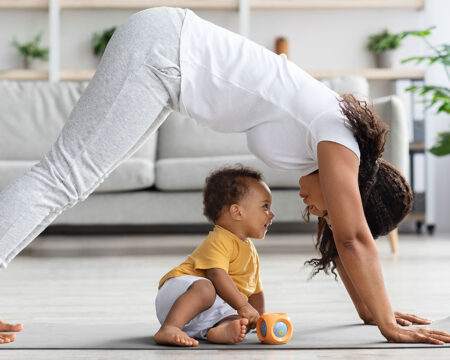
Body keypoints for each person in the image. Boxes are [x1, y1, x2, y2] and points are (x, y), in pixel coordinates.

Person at [0, 7, 449, 345]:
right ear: (355, 195)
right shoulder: (338, 140)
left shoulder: (333, 145)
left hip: (167, 61)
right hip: (163, 53)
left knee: (70, 181)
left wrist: (374, 312)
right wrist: (388, 325)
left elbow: (344, 236)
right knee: (63, 177)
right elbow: (354, 239)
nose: (313, 210)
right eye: (328, 210)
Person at [154, 166, 272, 346]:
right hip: (180, 295)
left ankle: (217, 331)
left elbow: (255, 289)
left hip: (202, 312)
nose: (271, 214)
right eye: (265, 206)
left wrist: (259, 319)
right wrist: (243, 306)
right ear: (237, 212)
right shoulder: (220, 239)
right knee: (207, 288)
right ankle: (169, 327)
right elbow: (216, 274)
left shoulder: (250, 250)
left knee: (239, 320)